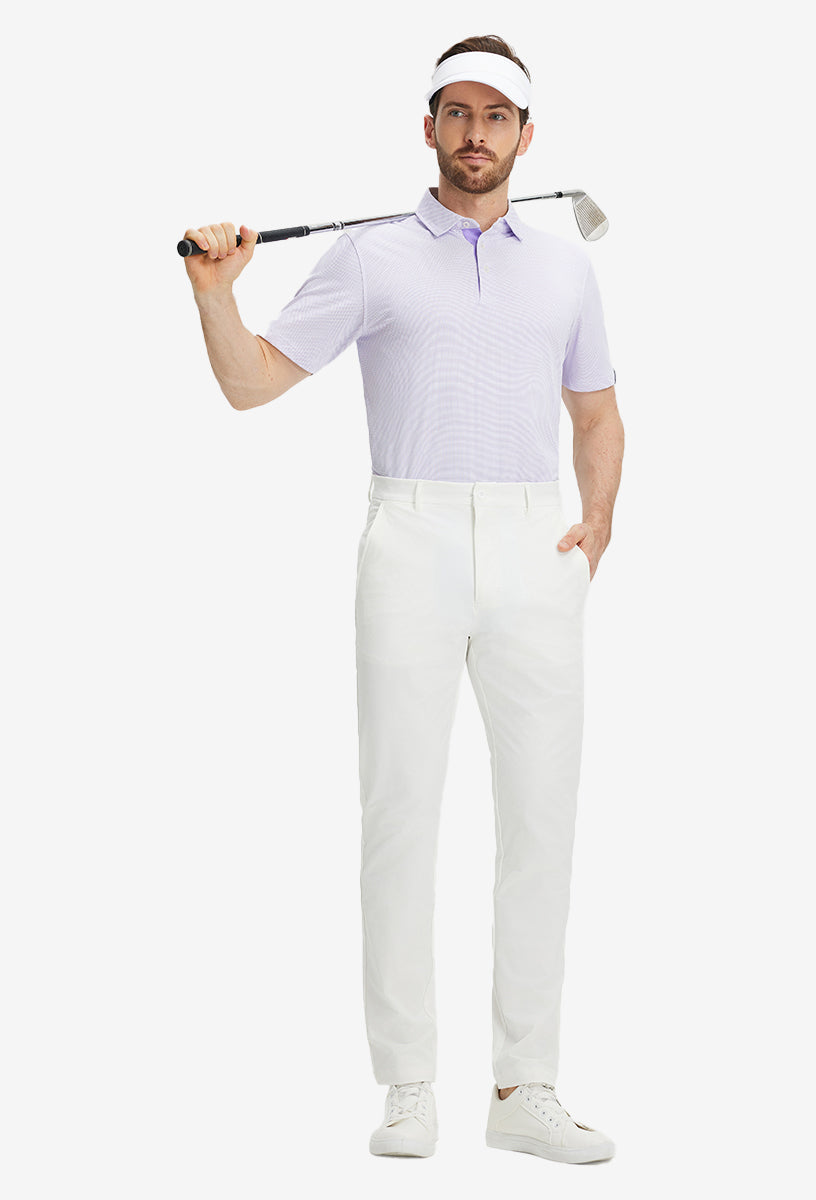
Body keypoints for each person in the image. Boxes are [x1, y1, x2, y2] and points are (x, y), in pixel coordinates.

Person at [182, 33, 624, 1166]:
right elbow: (251, 384)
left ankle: (524, 1086)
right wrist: (216, 296)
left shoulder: (565, 267)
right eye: (457, 113)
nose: (476, 134)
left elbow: (596, 412)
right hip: (411, 535)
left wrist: (597, 524)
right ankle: (409, 1084)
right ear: (428, 128)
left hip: (535, 541)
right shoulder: (372, 256)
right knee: (400, 813)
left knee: (542, 819)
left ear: (527, 135)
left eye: (496, 115)